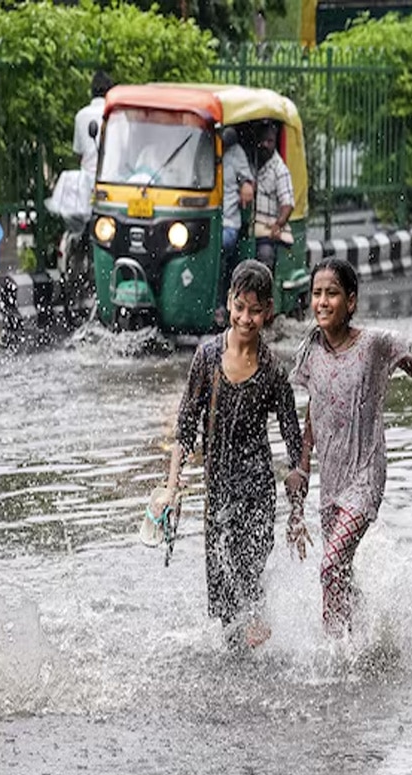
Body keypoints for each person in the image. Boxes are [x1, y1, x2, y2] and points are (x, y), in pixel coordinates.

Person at [291, 258, 412, 636]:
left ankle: (333, 653)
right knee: (340, 572)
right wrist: (303, 466)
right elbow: (314, 410)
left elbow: (411, 363)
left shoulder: (373, 344)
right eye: (317, 294)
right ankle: (364, 636)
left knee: (329, 566)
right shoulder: (311, 353)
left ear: (351, 302)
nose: (322, 302)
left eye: (333, 294)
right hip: (332, 481)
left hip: (365, 475)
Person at [151, 260, 308, 650]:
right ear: (229, 304)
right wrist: (172, 488)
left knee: (249, 578)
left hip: (257, 491)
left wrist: (297, 509)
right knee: (222, 601)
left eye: (256, 310)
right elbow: (186, 426)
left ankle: (255, 640)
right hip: (217, 492)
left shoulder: (273, 370)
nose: (246, 318)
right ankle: (238, 669)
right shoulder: (206, 358)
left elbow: (293, 438)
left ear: (268, 311)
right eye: (240, 307)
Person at [248, 121, 294, 271]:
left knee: (265, 256)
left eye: (270, 141)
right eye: (263, 141)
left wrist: (278, 224)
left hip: (266, 232)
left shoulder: (279, 169)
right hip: (248, 229)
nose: (266, 145)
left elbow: (288, 203)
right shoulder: (251, 163)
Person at [221, 138, 255, 294]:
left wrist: (246, 185)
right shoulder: (195, 142)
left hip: (228, 222)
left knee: (220, 246)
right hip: (203, 218)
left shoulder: (235, 153)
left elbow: (248, 182)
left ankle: (220, 303)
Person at [73, 69, 113, 182]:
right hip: (110, 178)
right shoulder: (114, 116)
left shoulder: (80, 116)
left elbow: (78, 153)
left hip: (85, 179)